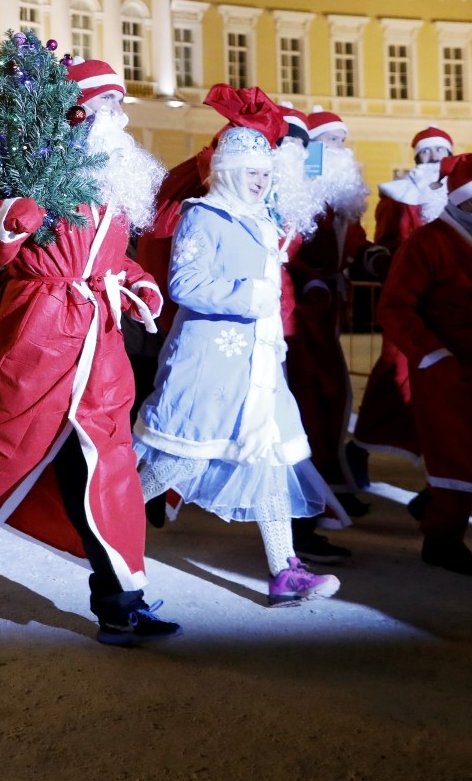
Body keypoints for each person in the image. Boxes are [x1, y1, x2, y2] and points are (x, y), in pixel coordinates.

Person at [0, 55, 177, 643]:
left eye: (120, 104)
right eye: (108, 103)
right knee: (5, 442)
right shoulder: (33, 167)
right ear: (76, 110)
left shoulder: (115, 179)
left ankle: (121, 599)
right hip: (40, 329)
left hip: (99, 343)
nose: (119, 114)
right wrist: (10, 218)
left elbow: (108, 257)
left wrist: (135, 280)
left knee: (110, 466)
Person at [135, 126, 341, 606]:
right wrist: (249, 296)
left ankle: (285, 572)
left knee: (269, 457)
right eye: (252, 173)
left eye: (267, 174)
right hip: (211, 362)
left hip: (260, 364)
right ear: (227, 172)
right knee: (181, 457)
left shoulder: (263, 218)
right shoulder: (204, 215)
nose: (261, 181)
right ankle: (100, 517)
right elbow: (184, 283)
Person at [375, 154, 472, 576]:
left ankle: (434, 504)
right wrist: (432, 355)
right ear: (465, 199)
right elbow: (394, 307)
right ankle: (442, 540)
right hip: (447, 366)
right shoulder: (426, 243)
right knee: (456, 452)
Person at [284, 109, 382, 516]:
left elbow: (354, 241)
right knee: (316, 395)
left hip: (329, 310)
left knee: (333, 397)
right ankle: (316, 491)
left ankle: (332, 483)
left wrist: (373, 258)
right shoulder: (304, 187)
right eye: (333, 141)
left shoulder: (339, 196)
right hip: (306, 311)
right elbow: (290, 244)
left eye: (344, 140)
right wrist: (312, 280)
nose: (342, 148)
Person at [352, 127, 457, 486]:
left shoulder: (458, 195)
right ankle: (360, 449)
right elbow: (387, 244)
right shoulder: (399, 197)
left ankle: (447, 468)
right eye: (428, 152)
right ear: (417, 157)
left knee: (446, 383)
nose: (436, 158)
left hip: (449, 305)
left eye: (442, 151)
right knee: (396, 376)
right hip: (411, 300)